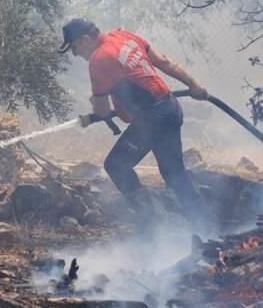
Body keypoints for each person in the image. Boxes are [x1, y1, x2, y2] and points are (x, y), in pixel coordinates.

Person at [59, 18, 215, 234]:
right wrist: (193, 84)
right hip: (170, 108)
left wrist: (96, 102)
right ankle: (204, 226)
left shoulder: (99, 59)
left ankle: (150, 223)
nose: (75, 54)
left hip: (152, 119)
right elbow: (164, 61)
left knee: (116, 165)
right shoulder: (123, 36)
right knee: (174, 172)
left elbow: (102, 111)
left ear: (85, 39)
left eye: (74, 47)